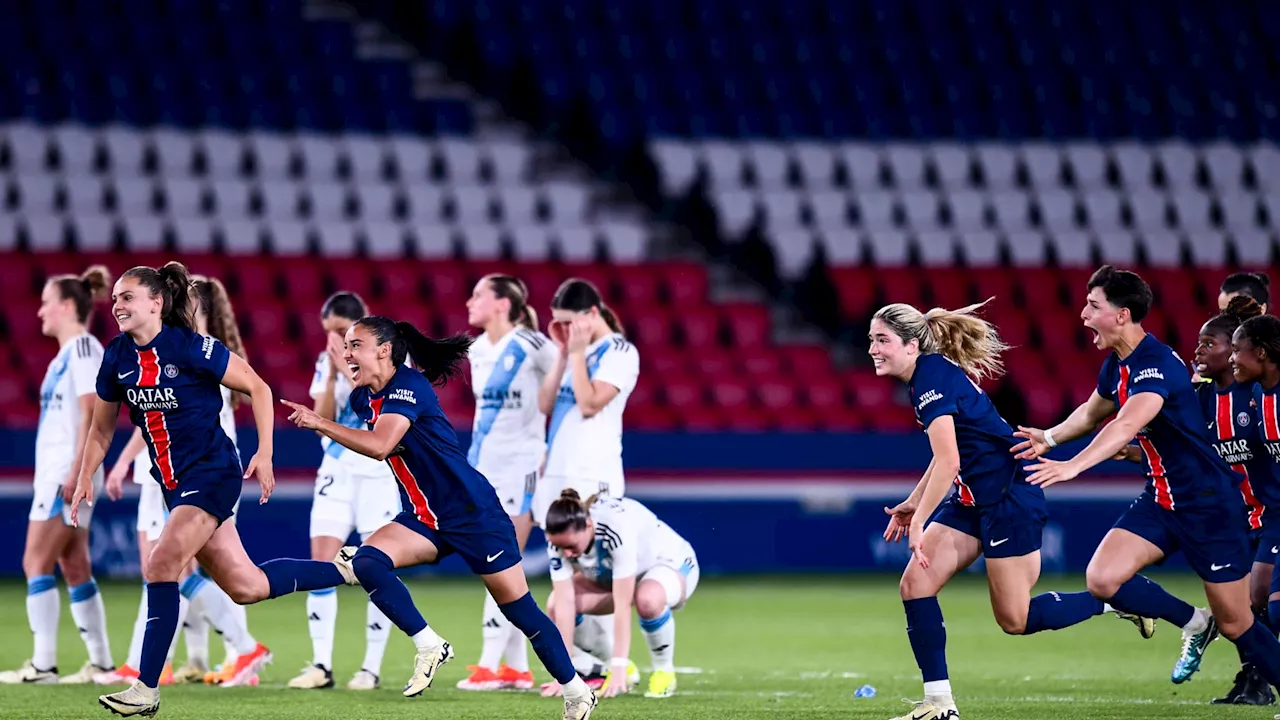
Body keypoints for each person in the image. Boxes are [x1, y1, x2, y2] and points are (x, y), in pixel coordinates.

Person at [276, 316, 597, 720]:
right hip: (423, 516)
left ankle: (577, 692)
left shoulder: (410, 387)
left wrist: (321, 422)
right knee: (367, 561)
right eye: (345, 345)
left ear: (384, 350)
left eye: (355, 345)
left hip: (472, 513)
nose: (346, 353)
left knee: (521, 612)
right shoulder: (362, 399)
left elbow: (380, 446)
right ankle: (429, 644)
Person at [874, 299, 1151, 720]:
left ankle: (1112, 602)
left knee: (1015, 620)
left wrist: (921, 522)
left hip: (1008, 499)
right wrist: (915, 502)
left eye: (882, 340)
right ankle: (940, 705)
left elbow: (949, 461)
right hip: (973, 500)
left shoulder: (929, 381)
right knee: (915, 585)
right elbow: (951, 452)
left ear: (912, 345)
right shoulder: (926, 375)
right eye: (871, 340)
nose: (873, 349)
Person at [1013, 265, 1280, 695]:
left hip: (1208, 505)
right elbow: (1092, 411)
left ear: (1122, 315)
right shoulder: (1118, 364)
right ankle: (1196, 622)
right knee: (1102, 579)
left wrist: (1073, 465)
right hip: (1161, 499)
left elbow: (1124, 424)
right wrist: (1048, 437)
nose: (1083, 315)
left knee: (1238, 623)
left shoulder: (1155, 365)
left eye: (1093, 306)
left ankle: (1226, 636)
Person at [70, 262, 277, 716]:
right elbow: (102, 431)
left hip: (214, 472)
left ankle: (145, 686)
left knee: (161, 561)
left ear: (156, 303)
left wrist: (264, 452)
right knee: (246, 586)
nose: (117, 304)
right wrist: (86, 473)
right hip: (171, 482)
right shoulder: (117, 357)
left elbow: (259, 388)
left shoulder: (191, 347)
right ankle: (346, 571)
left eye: (127, 297)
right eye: (116, 297)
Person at [0, 266, 116, 685]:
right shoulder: (66, 355)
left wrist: (77, 469)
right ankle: (102, 665)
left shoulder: (83, 348)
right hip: (66, 471)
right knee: (75, 565)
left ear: (68, 306)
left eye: (47, 303)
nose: (39, 312)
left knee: (35, 562)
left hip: (65, 473)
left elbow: (93, 409)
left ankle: (43, 664)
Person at [288, 292, 400, 691]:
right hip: (337, 469)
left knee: (376, 566)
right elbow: (323, 417)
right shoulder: (326, 362)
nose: (334, 341)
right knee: (322, 562)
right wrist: (335, 372)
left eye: (341, 332)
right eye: (329, 333)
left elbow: (378, 413)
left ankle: (369, 669)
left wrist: (352, 370)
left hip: (378, 473)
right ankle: (321, 665)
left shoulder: (390, 362)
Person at [532, 278, 640, 692]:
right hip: (556, 476)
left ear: (593, 314)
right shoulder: (573, 351)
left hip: (594, 475)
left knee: (599, 573)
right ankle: (579, 667)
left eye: (570, 323)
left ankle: (617, 665)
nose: (564, 330)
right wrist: (563, 352)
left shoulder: (619, 352)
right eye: (557, 323)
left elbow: (591, 403)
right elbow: (545, 404)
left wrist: (577, 355)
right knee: (564, 578)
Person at [458, 275, 558, 691]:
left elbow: (566, 385)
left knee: (500, 560)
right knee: (501, 564)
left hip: (523, 467)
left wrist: (552, 448)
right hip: (483, 467)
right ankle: (516, 667)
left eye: (478, 294)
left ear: (502, 304)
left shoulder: (534, 345)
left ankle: (486, 663)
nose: (469, 301)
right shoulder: (477, 350)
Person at [1191, 297, 1278, 705]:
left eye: (1210, 343)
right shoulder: (1210, 398)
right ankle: (1255, 680)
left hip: (1267, 515)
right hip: (1250, 516)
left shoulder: (1257, 395)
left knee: (1259, 604)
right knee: (1250, 604)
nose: (1199, 351)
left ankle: (1259, 680)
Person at [542, 490, 698, 699]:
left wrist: (618, 668)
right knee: (554, 604)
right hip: (616, 573)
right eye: (562, 547)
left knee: (647, 599)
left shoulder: (616, 529)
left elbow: (623, 605)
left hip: (672, 564)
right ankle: (625, 669)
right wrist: (563, 676)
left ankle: (664, 671)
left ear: (589, 526)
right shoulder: (559, 540)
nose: (567, 554)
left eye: (571, 547)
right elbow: (564, 603)